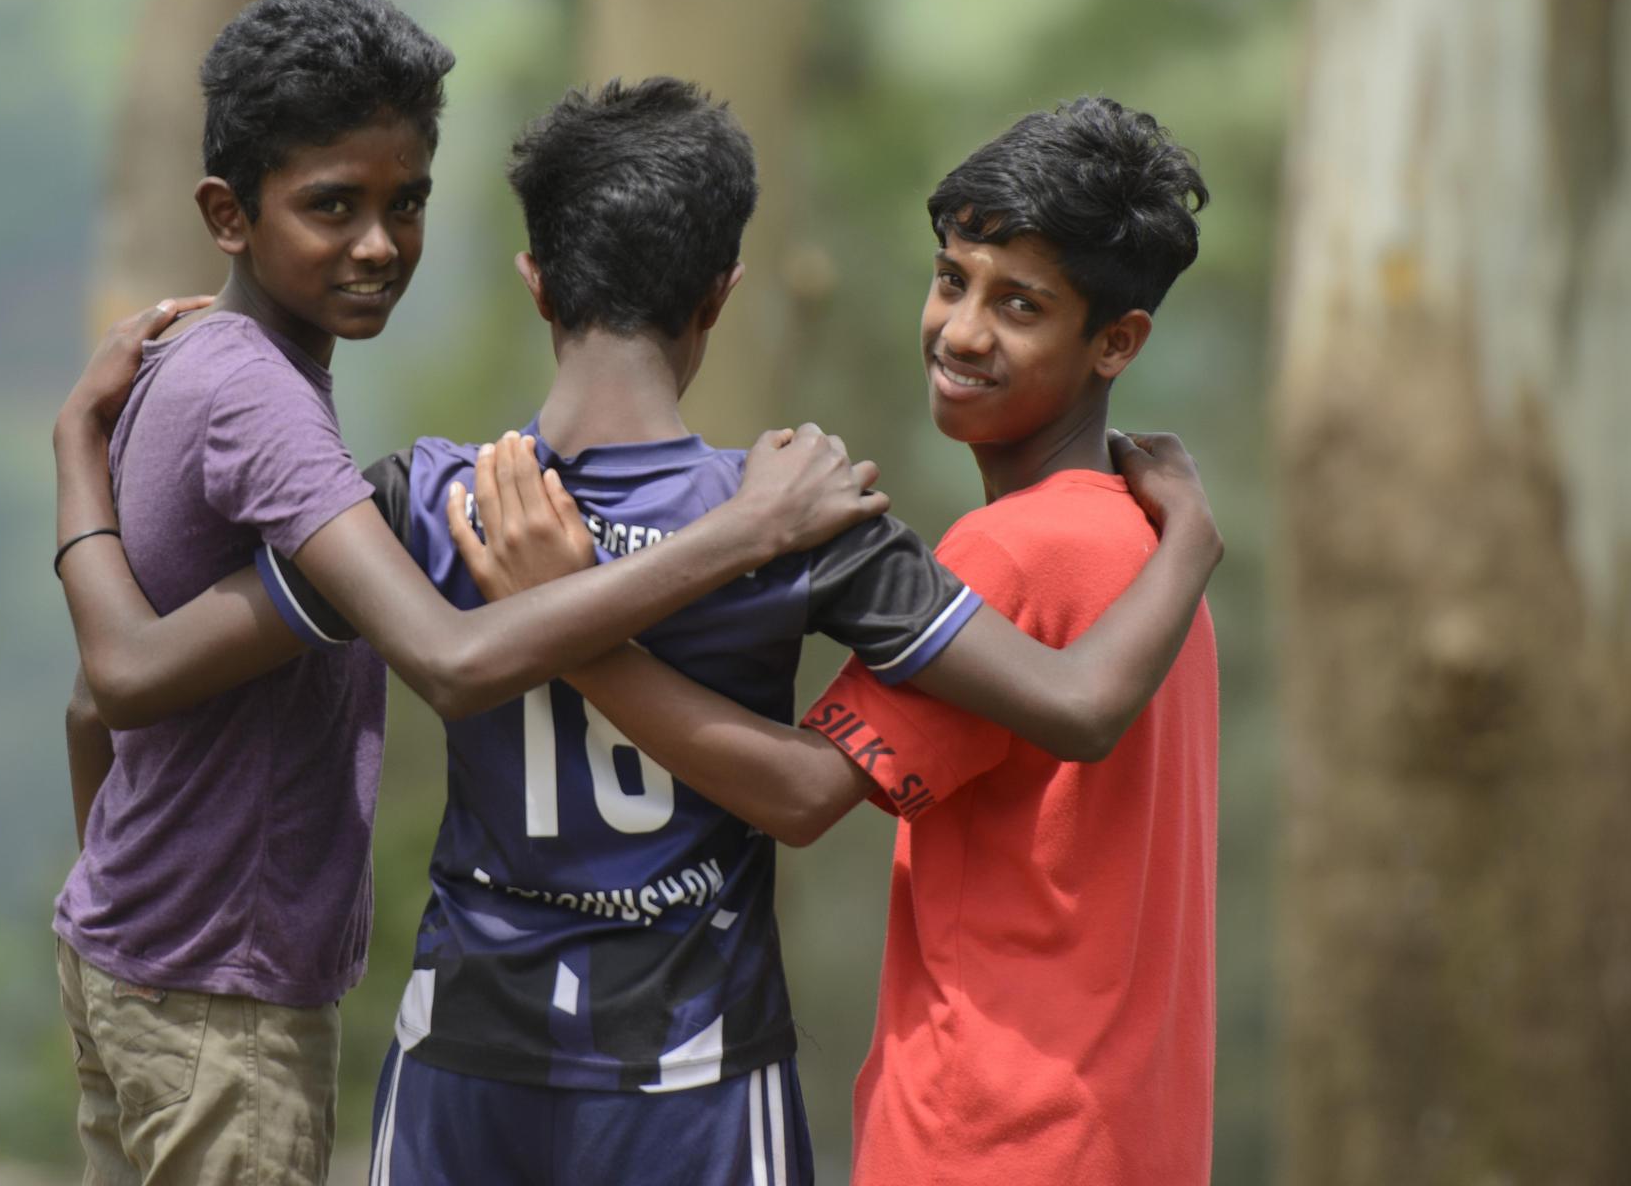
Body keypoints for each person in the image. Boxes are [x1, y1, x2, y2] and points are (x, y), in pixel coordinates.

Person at [54, 78, 1222, 1184]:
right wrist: (1190, 543)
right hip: (697, 1076)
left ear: (535, 283)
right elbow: (1066, 707)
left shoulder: (420, 504)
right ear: (720, 291)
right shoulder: (805, 517)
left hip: (465, 1059)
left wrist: (83, 456)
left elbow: (127, 680)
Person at [51, 0, 887, 1186]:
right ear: (227, 216)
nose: (380, 244)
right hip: (223, 996)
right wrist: (745, 528)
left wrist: (79, 444)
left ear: (534, 279)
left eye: (408, 202)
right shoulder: (266, 407)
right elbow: (446, 661)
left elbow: (100, 694)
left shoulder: (216, 374)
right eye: (332, 206)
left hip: (129, 955)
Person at [472, 96, 1222, 1186]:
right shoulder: (1147, 546)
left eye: (1021, 305)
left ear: (1117, 341)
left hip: (993, 1139)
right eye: (952, 277)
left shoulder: (1013, 552)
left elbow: (800, 792)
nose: (963, 330)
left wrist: (572, 627)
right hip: (1131, 1138)